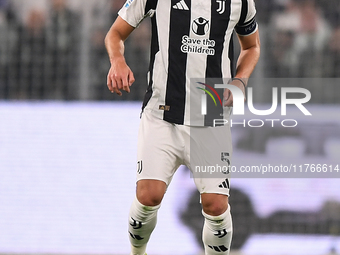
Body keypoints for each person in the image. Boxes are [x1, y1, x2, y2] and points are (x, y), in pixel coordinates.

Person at [105, 0, 260, 254]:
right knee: (148, 196)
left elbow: (252, 46)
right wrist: (117, 60)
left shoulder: (240, 2)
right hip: (162, 110)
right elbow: (115, 34)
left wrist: (241, 79)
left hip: (210, 111)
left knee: (216, 205)